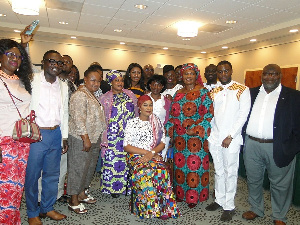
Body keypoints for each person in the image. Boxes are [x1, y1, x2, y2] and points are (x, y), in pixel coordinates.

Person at [242, 64, 300, 225]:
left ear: (280, 76)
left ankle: (279, 216)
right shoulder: (251, 93)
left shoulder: (294, 96)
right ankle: (256, 208)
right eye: (266, 74)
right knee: (253, 180)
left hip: (279, 146)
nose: (270, 77)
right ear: (262, 75)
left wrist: (292, 147)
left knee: (280, 184)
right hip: (251, 145)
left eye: (274, 74)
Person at [25, 50, 68, 224]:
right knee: (32, 175)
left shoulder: (63, 85)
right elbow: (24, 65)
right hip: (37, 133)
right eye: (51, 61)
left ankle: (47, 208)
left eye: (59, 63)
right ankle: (32, 212)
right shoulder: (33, 80)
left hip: (55, 133)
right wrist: (25, 44)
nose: (55, 65)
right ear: (43, 62)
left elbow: (63, 112)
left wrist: (64, 136)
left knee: (52, 174)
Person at [206, 60, 250, 222]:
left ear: (231, 71)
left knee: (230, 172)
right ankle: (219, 199)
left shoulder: (242, 89)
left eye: (226, 71)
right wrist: (211, 135)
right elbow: (211, 115)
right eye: (220, 71)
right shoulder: (214, 90)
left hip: (231, 139)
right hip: (215, 138)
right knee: (218, 170)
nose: (223, 74)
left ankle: (229, 205)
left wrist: (230, 135)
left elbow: (243, 115)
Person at [124, 95, 180, 220]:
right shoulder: (132, 123)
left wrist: (152, 153)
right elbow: (126, 146)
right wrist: (147, 153)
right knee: (145, 172)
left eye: (150, 105)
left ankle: (164, 208)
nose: (148, 108)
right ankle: (149, 209)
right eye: (145, 105)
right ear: (139, 107)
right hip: (136, 155)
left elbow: (162, 143)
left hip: (153, 154)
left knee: (161, 171)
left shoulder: (157, 122)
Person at [166, 63, 213, 208]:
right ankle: (180, 194)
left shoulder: (203, 92)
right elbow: (172, 115)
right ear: (182, 76)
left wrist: (195, 129)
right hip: (180, 139)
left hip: (196, 140)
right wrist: (171, 132)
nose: (188, 76)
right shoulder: (178, 93)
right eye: (186, 73)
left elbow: (209, 115)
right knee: (180, 167)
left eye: (191, 73)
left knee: (194, 168)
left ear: (196, 75)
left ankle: (193, 197)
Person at [0, 39, 32, 225]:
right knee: (5, 190)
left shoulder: (20, 80)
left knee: (15, 189)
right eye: (10, 54)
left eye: (18, 56)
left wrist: (24, 45)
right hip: (4, 143)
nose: (15, 59)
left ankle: (12, 221)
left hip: (22, 142)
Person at [67, 67, 106, 214]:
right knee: (78, 169)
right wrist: (86, 138)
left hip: (94, 138)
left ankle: (82, 193)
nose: (96, 83)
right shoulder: (80, 95)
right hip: (81, 138)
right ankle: (73, 199)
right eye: (93, 80)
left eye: (98, 81)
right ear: (85, 79)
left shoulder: (91, 94)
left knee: (88, 169)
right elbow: (78, 118)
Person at [99, 70, 138, 198]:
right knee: (112, 162)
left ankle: (126, 187)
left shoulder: (130, 94)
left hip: (128, 135)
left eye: (121, 80)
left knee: (127, 162)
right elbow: (102, 118)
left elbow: (136, 113)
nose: (120, 83)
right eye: (116, 80)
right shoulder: (104, 98)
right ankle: (113, 188)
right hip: (112, 137)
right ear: (111, 82)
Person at [146, 74, 171, 159]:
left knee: (161, 158)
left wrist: (166, 129)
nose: (156, 87)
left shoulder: (167, 101)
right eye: (154, 84)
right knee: (148, 156)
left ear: (162, 86)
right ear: (150, 85)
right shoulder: (144, 98)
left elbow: (171, 118)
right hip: (147, 134)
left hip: (163, 135)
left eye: (159, 85)